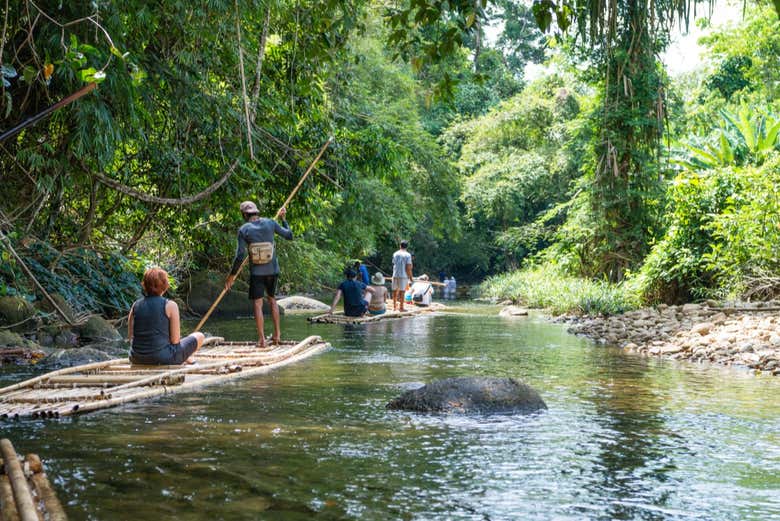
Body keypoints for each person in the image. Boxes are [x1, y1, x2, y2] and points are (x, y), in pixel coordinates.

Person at [225, 201, 293, 348]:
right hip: (272, 270)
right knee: (272, 300)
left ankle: (262, 340)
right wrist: (283, 219)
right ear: (256, 212)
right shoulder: (270, 223)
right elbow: (289, 235)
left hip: (257, 272)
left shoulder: (244, 230)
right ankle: (277, 335)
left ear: (244, 214)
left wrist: (232, 275)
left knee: (257, 303)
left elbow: (240, 255)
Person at [128, 267, 205, 365]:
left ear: (145, 285)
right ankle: (186, 358)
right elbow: (175, 340)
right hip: (163, 359)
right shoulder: (170, 305)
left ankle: (186, 358)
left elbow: (131, 337)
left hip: (136, 357)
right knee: (199, 336)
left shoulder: (135, 305)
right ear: (165, 286)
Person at [391, 240, 413, 311]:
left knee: (394, 290)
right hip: (403, 275)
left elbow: (394, 263)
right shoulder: (408, 255)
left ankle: (394, 307)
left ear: (400, 246)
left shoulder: (395, 254)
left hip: (395, 274)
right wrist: (410, 277)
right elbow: (408, 267)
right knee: (402, 291)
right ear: (407, 247)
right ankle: (401, 307)